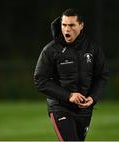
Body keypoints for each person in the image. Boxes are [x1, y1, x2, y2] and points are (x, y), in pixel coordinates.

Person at [34, 8, 109, 141]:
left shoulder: (93, 48)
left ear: (81, 25)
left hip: (84, 110)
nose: (67, 29)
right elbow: (40, 80)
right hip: (60, 107)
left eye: (71, 25)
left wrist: (93, 98)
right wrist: (69, 96)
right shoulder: (51, 50)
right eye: (64, 25)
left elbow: (102, 76)